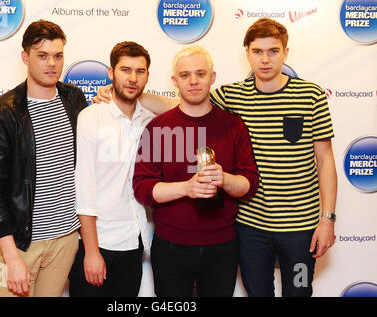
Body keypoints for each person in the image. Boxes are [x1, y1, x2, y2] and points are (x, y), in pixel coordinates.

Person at [96, 18, 338, 297]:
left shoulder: (310, 95)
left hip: (300, 227)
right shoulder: (232, 95)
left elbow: (325, 161)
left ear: (286, 52)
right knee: (258, 293)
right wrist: (118, 93)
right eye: (257, 51)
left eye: (273, 51)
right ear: (246, 53)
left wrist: (327, 219)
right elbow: (185, 104)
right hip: (251, 228)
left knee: (299, 291)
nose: (265, 59)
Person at [132, 45, 259, 297]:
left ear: (212, 77)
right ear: (174, 81)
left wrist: (224, 179)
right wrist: (186, 188)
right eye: (185, 75)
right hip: (170, 247)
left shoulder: (233, 125)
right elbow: (142, 189)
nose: (193, 81)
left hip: (222, 247)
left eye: (200, 74)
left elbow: (249, 185)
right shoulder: (157, 127)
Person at [0, 20, 87, 297]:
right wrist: (10, 257)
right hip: (19, 245)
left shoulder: (74, 99)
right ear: (25, 57)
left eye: (58, 55)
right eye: (42, 55)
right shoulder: (2, 112)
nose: (52, 64)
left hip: (65, 240)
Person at [67, 42, 155, 297]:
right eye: (125, 70)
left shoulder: (150, 121)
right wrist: (92, 252)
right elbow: (85, 186)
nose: (133, 78)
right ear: (110, 72)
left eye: (140, 71)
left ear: (148, 76)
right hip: (98, 242)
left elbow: (189, 103)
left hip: (134, 241)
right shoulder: (91, 117)